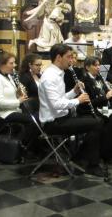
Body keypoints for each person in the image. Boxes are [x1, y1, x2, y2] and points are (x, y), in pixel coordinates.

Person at [38, 44, 105, 177]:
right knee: (97, 123)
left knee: (97, 121)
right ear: (58, 57)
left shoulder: (58, 73)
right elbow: (56, 104)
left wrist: (74, 92)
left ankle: (81, 158)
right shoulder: (50, 77)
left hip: (62, 118)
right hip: (53, 123)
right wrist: (78, 100)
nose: (71, 60)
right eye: (68, 57)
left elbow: (60, 98)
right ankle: (89, 163)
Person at [0, 51, 38, 156]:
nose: (14, 66)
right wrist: (18, 101)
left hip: (14, 110)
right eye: (11, 63)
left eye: (14, 63)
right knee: (33, 120)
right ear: (2, 64)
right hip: (3, 113)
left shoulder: (8, 76)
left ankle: (28, 146)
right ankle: (21, 147)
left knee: (39, 116)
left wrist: (19, 93)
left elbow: (12, 95)